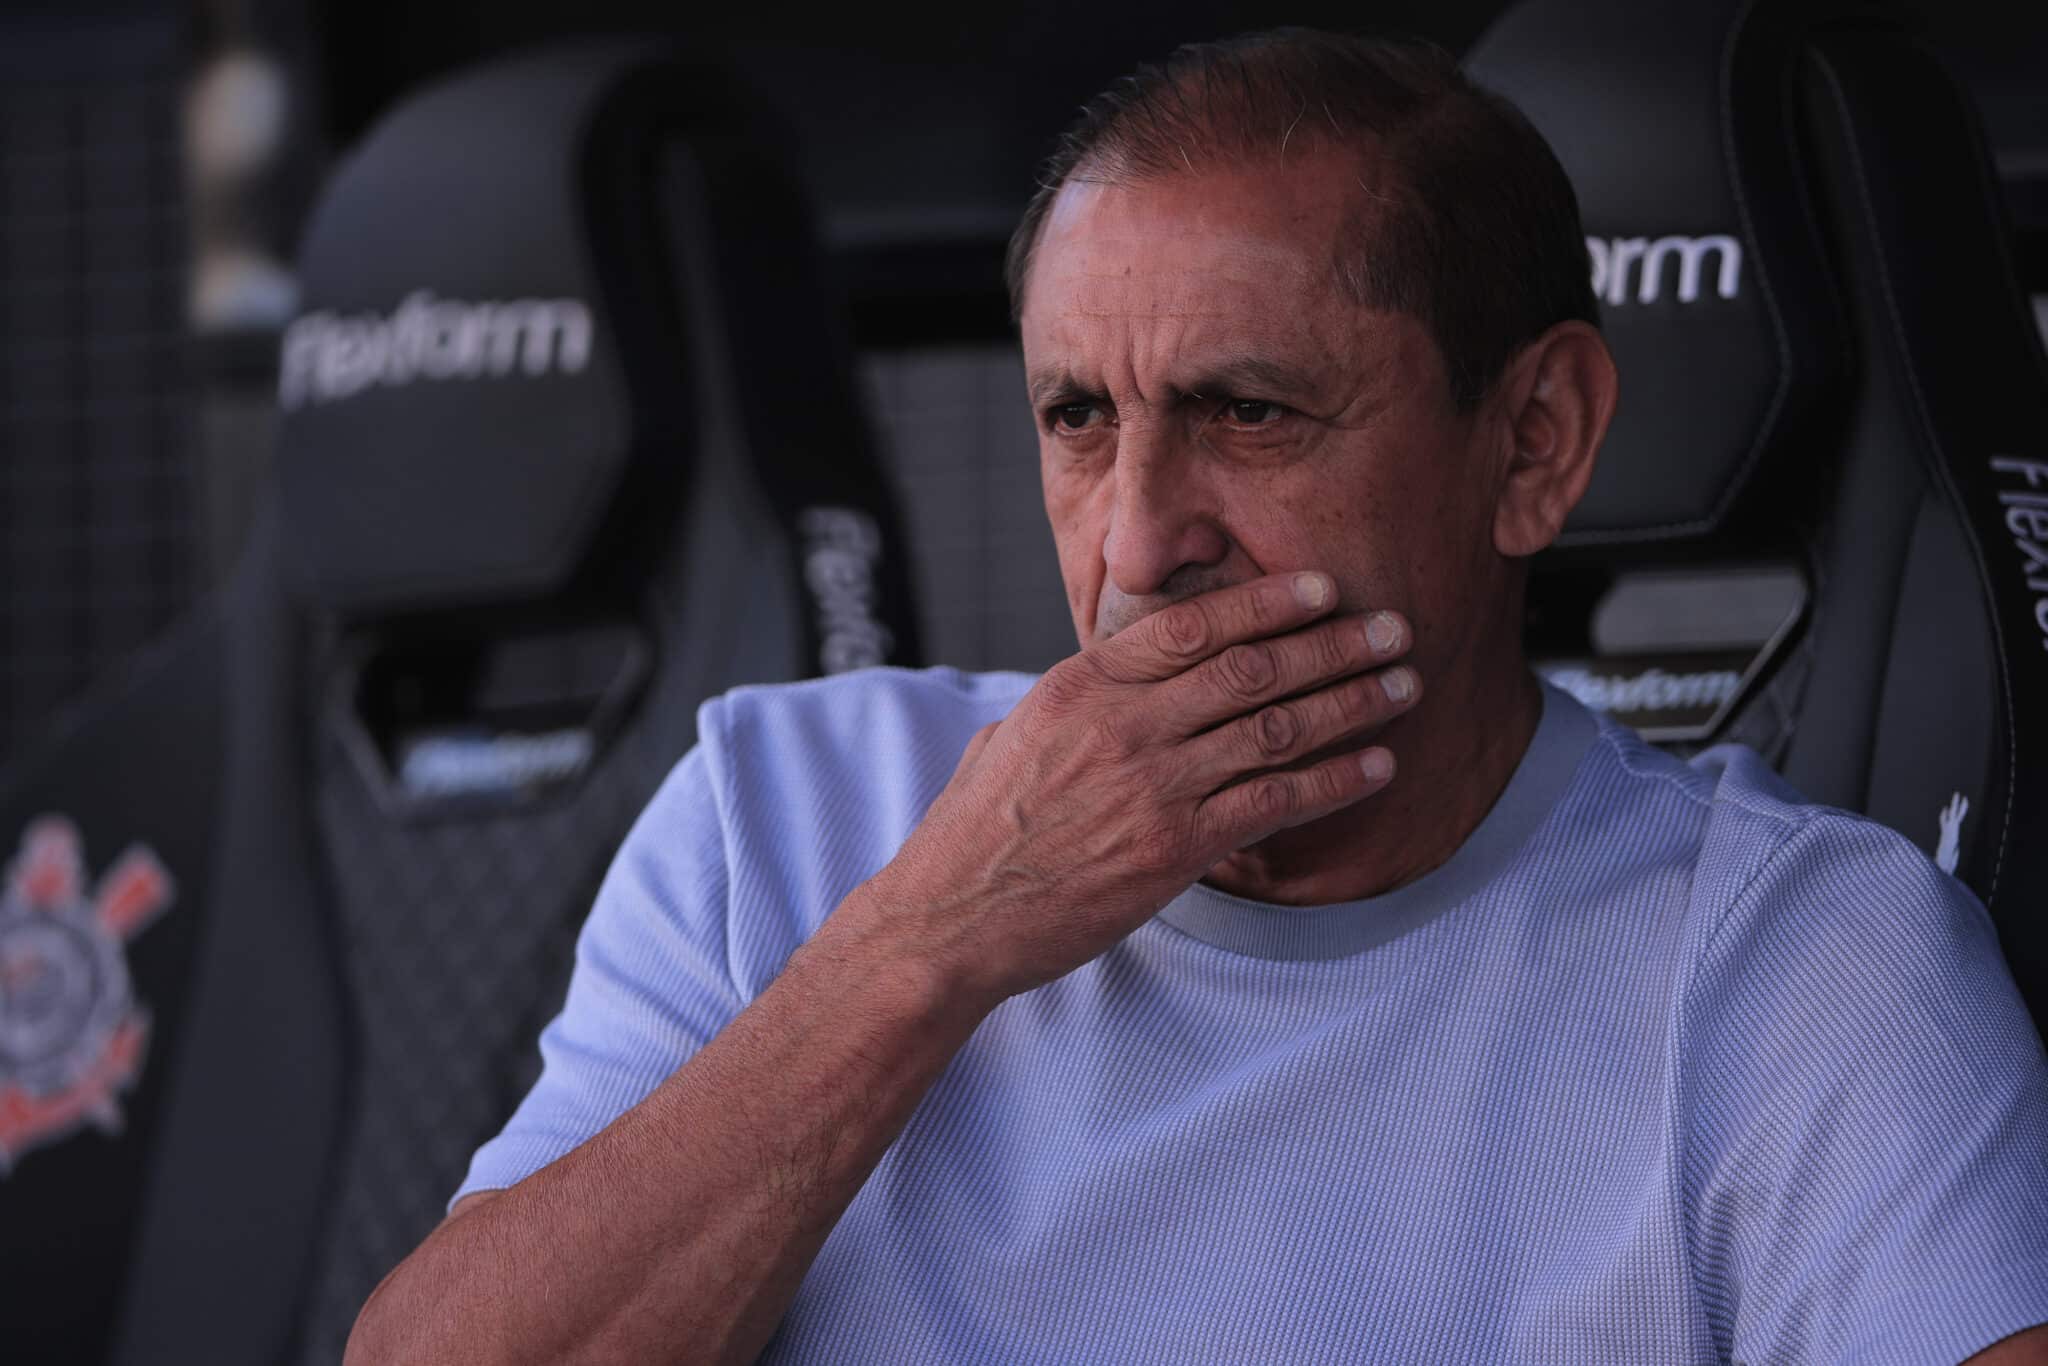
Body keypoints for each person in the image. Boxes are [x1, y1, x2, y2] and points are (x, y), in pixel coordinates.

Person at [346, 29, 2048, 1366]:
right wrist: (930, 939)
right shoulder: (778, 813)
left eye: (1249, 413)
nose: (1141, 545)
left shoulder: (1799, 967)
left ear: (1533, 444)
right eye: (1079, 418)